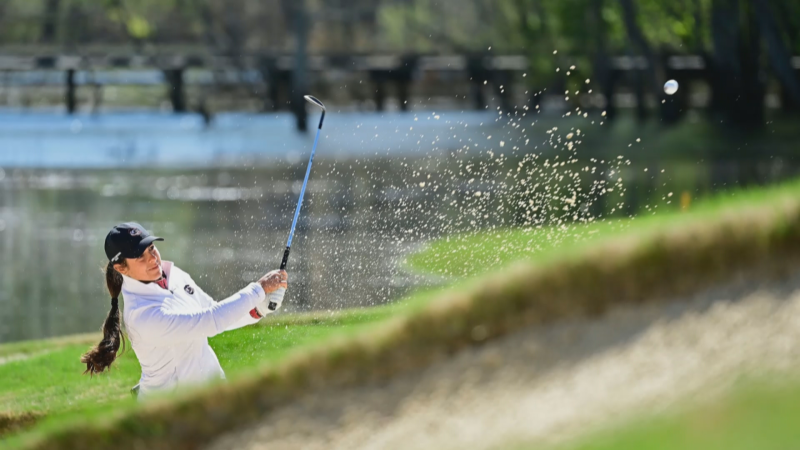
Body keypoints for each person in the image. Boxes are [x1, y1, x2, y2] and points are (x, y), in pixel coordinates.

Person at [81, 222, 287, 400]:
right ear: (121, 268)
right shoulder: (143, 315)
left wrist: (257, 309)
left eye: (151, 248)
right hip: (170, 413)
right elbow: (210, 321)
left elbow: (213, 311)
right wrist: (259, 289)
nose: (152, 259)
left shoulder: (173, 275)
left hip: (213, 394)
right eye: (140, 257)